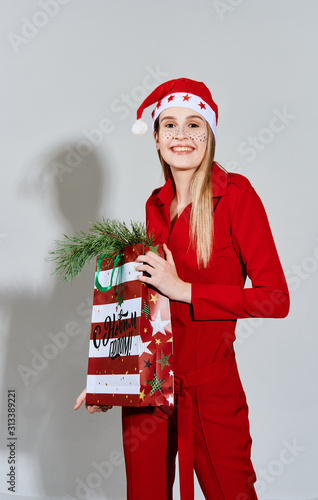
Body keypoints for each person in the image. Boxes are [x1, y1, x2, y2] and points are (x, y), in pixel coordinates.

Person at [75, 78, 290, 500]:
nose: (182, 135)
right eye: (170, 125)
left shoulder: (237, 197)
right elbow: (145, 309)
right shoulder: (153, 205)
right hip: (149, 386)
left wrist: (185, 289)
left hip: (210, 388)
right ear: (155, 138)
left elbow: (275, 298)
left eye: (195, 125)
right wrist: (107, 379)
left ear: (209, 134)